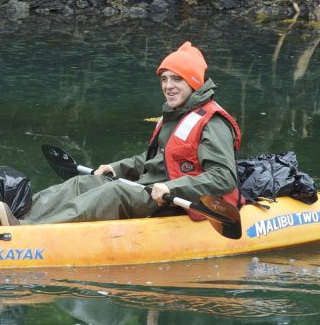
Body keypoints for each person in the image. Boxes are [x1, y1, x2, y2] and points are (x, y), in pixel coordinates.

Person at [21, 41, 240, 224]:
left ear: (194, 82)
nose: (168, 86)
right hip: (150, 188)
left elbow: (224, 177)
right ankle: (19, 215)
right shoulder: (174, 114)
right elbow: (153, 159)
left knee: (112, 193)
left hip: (178, 199)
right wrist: (116, 168)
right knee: (84, 183)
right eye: (164, 79)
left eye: (177, 79)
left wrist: (171, 187)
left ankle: (32, 231)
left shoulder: (213, 122)